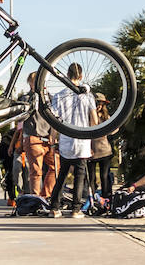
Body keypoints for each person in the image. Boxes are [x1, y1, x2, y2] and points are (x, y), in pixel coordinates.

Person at [48, 63, 98, 218]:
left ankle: (54, 207)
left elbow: (55, 120)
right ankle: (76, 209)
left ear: (67, 75)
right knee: (79, 176)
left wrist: (53, 137)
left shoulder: (59, 96)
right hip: (82, 141)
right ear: (81, 76)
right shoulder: (88, 96)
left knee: (62, 174)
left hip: (66, 140)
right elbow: (94, 120)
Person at [20, 72, 57, 199]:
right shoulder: (26, 99)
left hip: (49, 138)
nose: (34, 84)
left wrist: (54, 134)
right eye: (32, 82)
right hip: (33, 137)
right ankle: (36, 198)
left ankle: (45, 195)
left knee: (55, 166)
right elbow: (22, 115)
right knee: (36, 171)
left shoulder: (51, 99)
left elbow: (56, 118)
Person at [88, 93, 115, 198]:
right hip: (91, 150)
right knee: (91, 177)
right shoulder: (87, 115)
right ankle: (91, 198)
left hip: (105, 150)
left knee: (104, 176)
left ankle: (106, 197)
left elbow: (114, 129)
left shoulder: (105, 116)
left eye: (101, 104)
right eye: (97, 103)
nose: (99, 106)